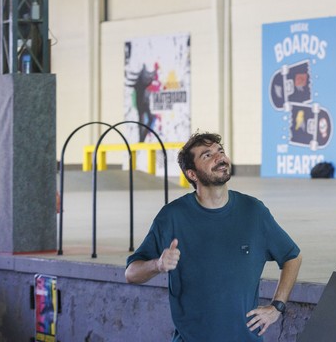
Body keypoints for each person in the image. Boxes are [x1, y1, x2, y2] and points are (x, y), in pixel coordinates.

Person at [125, 132, 302, 341]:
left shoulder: (254, 211)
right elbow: (131, 273)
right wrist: (158, 265)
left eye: (221, 151)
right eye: (207, 155)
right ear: (192, 174)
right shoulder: (172, 216)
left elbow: (292, 256)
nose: (219, 157)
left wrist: (277, 306)